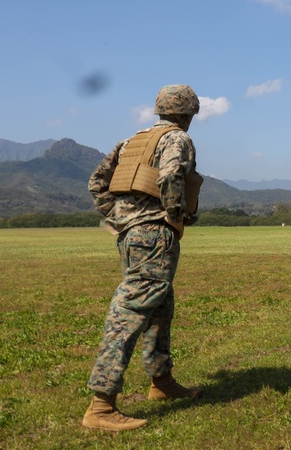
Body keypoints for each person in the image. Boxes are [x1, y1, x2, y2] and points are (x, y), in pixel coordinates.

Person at [82, 84, 205, 431]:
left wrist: (118, 216)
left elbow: (97, 181)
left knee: (160, 305)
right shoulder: (177, 139)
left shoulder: (132, 141)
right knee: (132, 309)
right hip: (154, 233)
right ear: (189, 112)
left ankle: (161, 382)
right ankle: (101, 406)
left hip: (131, 234)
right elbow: (169, 176)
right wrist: (175, 217)